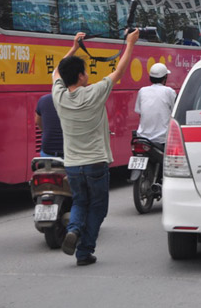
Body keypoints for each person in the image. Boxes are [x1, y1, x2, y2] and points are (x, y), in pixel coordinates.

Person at [52, 29, 139, 266]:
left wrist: (74, 47)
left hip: (72, 164)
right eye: (85, 72)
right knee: (98, 208)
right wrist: (130, 43)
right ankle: (84, 251)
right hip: (96, 163)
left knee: (80, 202)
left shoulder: (58, 95)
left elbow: (58, 69)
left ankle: (74, 230)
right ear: (80, 76)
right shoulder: (94, 93)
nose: (88, 74)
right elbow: (119, 71)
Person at [135, 63, 176, 147]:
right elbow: (175, 112)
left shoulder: (142, 91)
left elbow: (140, 113)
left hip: (142, 138)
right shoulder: (169, 91)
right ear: (165, 78)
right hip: (162, 139)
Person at [35, 93, 63, 158]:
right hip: (70, 155)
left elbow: (38, 121)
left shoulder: (43, 99)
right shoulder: (77, 100)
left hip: (47, 153)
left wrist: (46, 131)